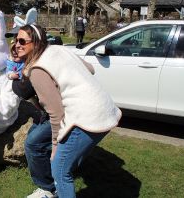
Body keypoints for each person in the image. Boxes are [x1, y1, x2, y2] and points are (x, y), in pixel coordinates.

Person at [16, 24, 122, 198]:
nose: (17, 45)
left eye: (22, 41)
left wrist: (56, 148)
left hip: (86, 118)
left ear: (35, 42)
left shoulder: (37, 70)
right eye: (15, 41)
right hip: (105, 110)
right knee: (36, 144)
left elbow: (56, 114)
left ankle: (49, 189)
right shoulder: (58, 48)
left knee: (59, 170)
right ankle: (48, 186)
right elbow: (91, 69)